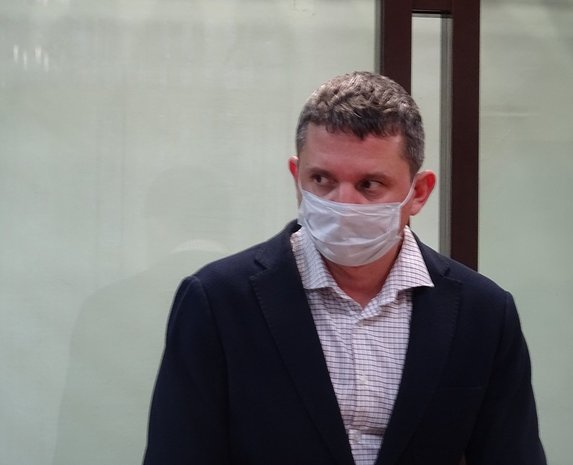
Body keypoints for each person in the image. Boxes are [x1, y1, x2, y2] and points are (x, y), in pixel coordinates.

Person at [143, 71, 546, 465]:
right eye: (322, 179)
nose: (343, 205)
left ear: (418, 192)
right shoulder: (219, 301)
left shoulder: (482, 313)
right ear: (297, 178)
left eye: (369, 185)